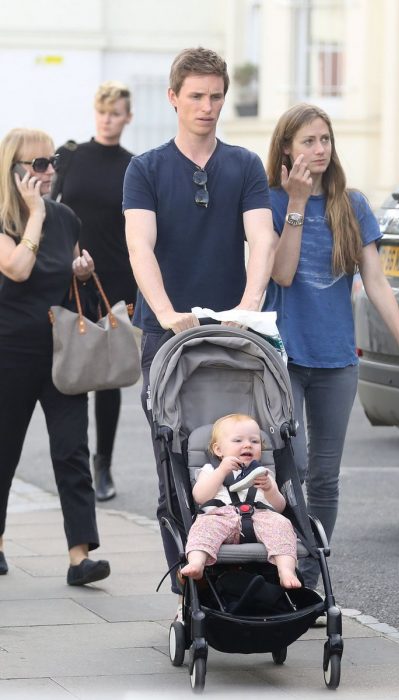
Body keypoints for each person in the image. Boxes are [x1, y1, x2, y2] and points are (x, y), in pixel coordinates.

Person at [122, 47, 276, 604]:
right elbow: (140, 245)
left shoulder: (244, 166)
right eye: (196, 96)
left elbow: (261, 237)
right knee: (175, 463)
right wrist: (165, 313)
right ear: (174, 98)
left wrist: (248, 302)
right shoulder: (146, 168)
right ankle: (193, 591)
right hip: (167, 337)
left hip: (232, 337)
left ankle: (248, 578)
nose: (207, 107)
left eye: (216, 96)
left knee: (244, 456)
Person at [262, 104, 399, 590]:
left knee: (326, 477)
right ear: (287, 148)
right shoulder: (271, 202)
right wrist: (295, 203)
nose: (319, 150)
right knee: (297, 463)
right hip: (286, 357)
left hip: (336, 360)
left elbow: (375, 281)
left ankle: (309, 579)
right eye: (308, 141)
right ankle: (283, 563)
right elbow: (282, 274)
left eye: (325, 140)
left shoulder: (351, 206)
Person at [0, 128, 110, 585]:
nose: (48, 171)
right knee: (4, 451)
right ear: (14, 172)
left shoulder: (67, 218)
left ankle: (79, 556)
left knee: (71, 450)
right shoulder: (10, 219)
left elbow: (70, 277)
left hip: (62, 348)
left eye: (52, 163)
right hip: (10, 350)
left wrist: (83, 274)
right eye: (37, 164)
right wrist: (34, 215)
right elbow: (17, 268)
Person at [51, 81, 136, 502]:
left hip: (115, 279)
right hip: (68, 277)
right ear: (95, 113)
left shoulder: (134, 165)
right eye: (102, 111)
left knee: (106, 377)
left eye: (115, 112)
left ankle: (103, 465)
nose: (107, 118)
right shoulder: (70, 157)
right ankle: (74, 463)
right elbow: (51, 208)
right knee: (70, 372)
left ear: (127, 117)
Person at [180, 414, 301, 589]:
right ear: (219, 450)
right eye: (238, 441)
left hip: (261, 517)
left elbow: (279, 507)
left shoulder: (263, 472)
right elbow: (201, 497)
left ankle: (286, 570)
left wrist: (270, 489)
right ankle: (196, 563)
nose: (247, 445)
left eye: (255, 441)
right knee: (203, 526)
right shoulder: (211, 470)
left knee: (282, 525)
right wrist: (221, 471)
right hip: (221, 516)